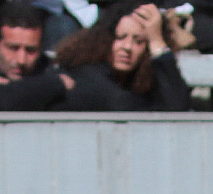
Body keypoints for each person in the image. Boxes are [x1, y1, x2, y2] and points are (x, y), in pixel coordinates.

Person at [56, 3, 194, 112]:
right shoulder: (85, 71)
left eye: (139, 41)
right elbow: (121, 103)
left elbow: (179, 107)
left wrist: (157, 41)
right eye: (120, 38)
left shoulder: (144, 79)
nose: (127, 47)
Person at [0, 4, 71, 112]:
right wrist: (56, 83)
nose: (21, 60)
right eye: (13, 48)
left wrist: (12, 89)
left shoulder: (47, 63)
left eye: (31, 50)